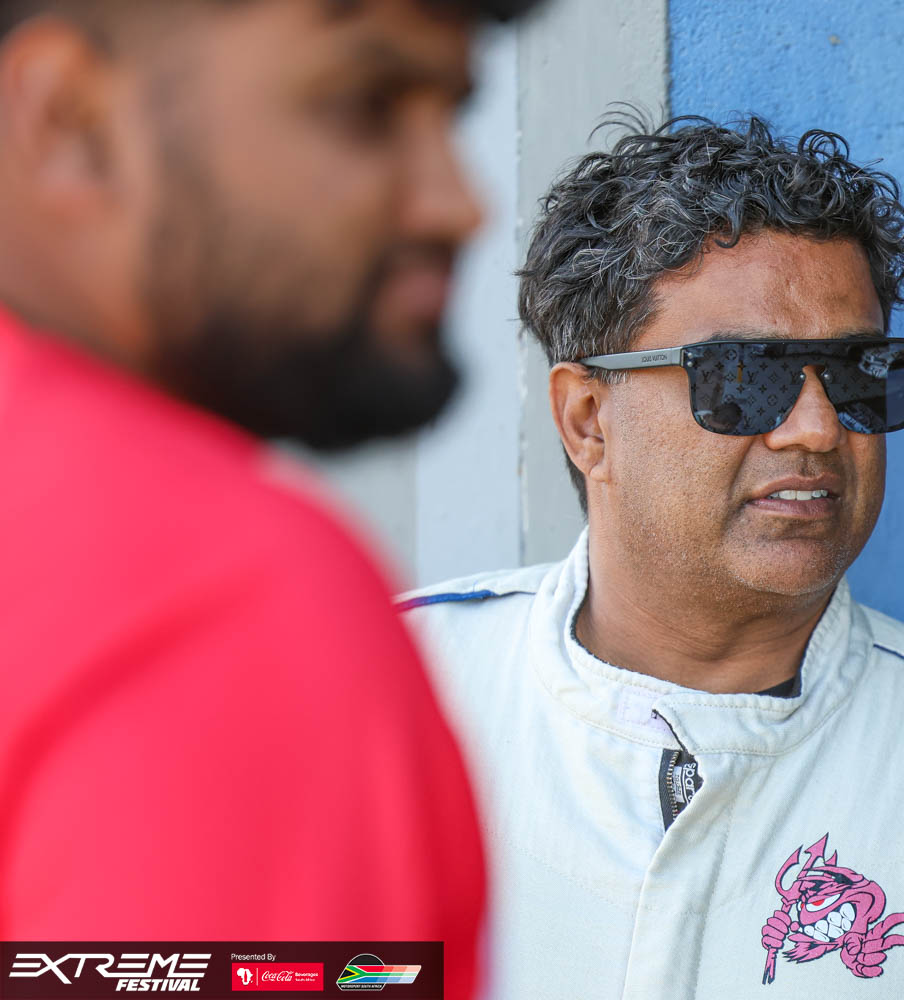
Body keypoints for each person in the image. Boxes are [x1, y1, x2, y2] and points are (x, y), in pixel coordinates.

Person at [400, 114, 904, 999]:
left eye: (860, 374)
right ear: (589, 422)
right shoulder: (376, 691)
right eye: (745, 377)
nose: (816, 428)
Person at [0, 2, 531, 996]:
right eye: (366, 106)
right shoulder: (213, 596)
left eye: (452, 114)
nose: (458, 203)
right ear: (70, 120)